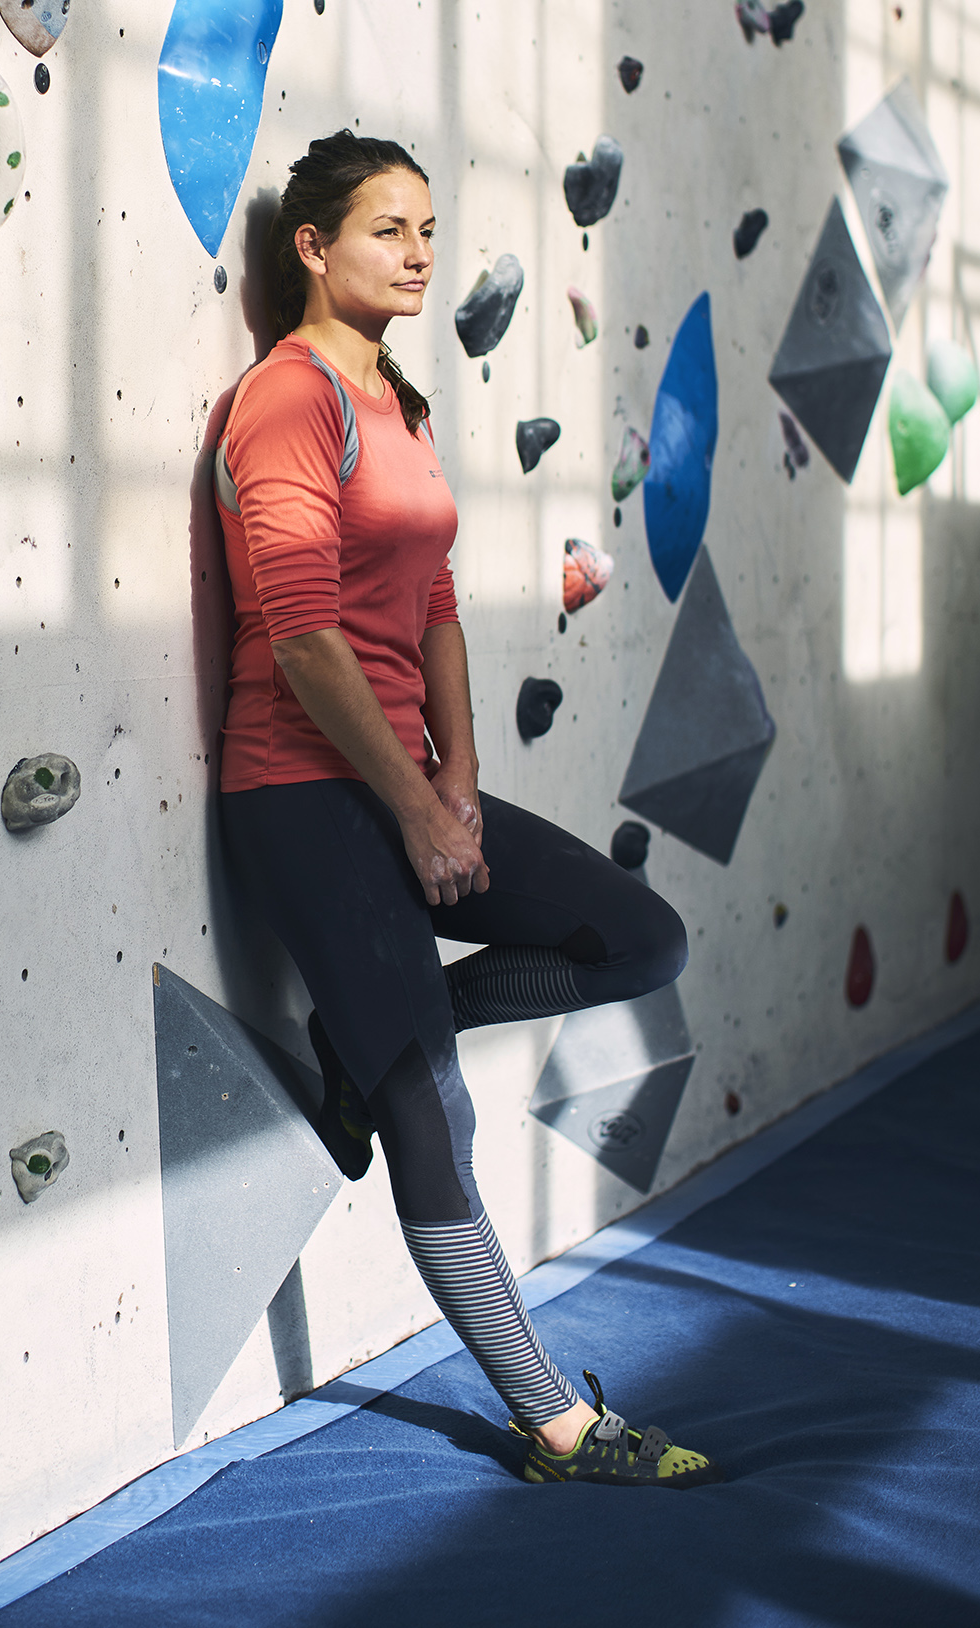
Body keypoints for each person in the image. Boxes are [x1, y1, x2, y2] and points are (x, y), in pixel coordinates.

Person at [214, 130, 720, 1488]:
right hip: (303, 790)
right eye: (388, 229)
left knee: (636, 937)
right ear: (311, 248)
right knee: (429, 1110)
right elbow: (305, 638)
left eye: (429, 228)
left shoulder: (401, 404)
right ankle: (553, 1421)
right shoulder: (285, 399)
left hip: (400, 778)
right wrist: (408, 802)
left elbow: (430, 602)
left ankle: (359, 1039)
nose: (421, 252)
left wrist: (457, 779)